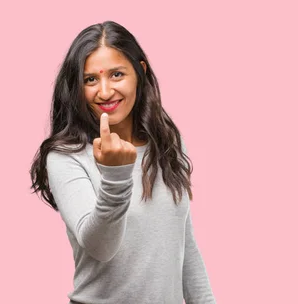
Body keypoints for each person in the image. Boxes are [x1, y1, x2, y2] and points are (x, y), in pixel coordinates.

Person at [29, 21, 216, 304]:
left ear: (140, 71)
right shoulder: (66, 156)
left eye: (117, 74)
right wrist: (116, 174)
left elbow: (184, 246)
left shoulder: (168, 143)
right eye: (90, 79)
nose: (104, 92)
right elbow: (100, 246)